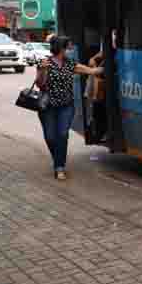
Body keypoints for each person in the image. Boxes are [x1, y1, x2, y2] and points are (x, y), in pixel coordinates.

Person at [36, 35, 104, 180]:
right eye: (68, 47)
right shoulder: (45, 63)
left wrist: (106, 66)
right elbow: (40, 84)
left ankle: (59, 167)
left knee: (62, 134)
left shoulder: (70, 64)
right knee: (50, 137)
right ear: (62, 48)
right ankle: (58, 159)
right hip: (48, 106)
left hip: (66, 106)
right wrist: (42, 70)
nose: (70, 49)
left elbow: (90, 71)